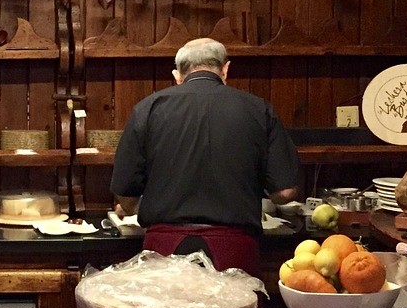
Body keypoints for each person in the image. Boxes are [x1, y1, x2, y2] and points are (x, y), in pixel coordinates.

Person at [110, 37, 299, 277]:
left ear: (177, 75)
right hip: (235, 249)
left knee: (171, 304)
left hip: (164, 250)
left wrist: (132, 206)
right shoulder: (259, 109)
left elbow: (126, 196)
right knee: (236, 303)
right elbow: (285, 193)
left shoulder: (147, 109)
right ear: (225, 69)